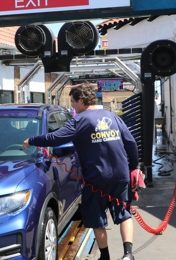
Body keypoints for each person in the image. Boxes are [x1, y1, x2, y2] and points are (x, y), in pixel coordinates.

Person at [22, 82, 139, 260]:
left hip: (96, 180)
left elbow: (55, 137)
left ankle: (105, 257)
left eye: (73, 102)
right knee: (124, 214)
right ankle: (128, 254)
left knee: (97, 219)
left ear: (81, 100)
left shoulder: (79, 120)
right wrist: (133, 168)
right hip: (120, 175)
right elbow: (131, 143)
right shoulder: (112, 117)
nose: (72, 107)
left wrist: (31, 140)